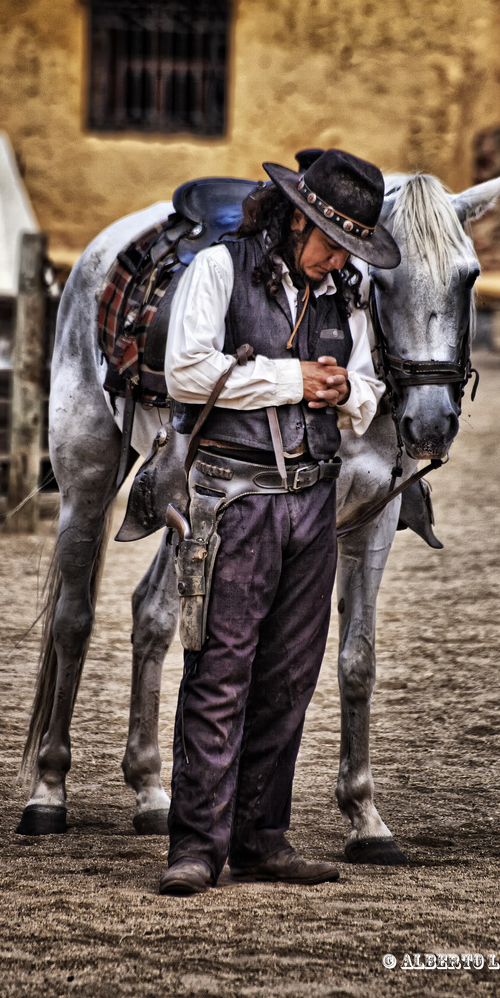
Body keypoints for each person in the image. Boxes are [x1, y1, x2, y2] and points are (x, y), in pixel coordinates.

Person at [160, 149, 401, 895]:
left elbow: (366, 387)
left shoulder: (344, 292)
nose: (337, 260)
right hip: (233, 501)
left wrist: (342, 392)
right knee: (220, 671)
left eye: (351, 248)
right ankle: (196, 846)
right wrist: (294, 379)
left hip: (311, 500)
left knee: (290, 678)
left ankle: (261, 838)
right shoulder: (219, 269)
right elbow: (187, 372)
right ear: (296, 218)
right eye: (332, 241)